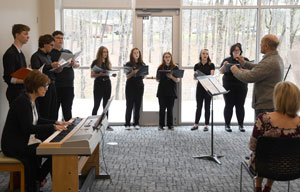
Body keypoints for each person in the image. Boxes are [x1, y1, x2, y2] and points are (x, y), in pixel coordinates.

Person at [1, 70, 69, 192]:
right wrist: (52, 127)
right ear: (35, 86)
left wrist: (55, 122)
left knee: (56, 152)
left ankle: (39, 179)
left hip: (25, 140)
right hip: (15, 144)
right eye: (44, 86)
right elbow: (28, 128)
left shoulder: (31, 99)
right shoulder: (22, 102)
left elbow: (37, 119)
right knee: (55, 153)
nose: (46, 89)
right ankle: (41, 179)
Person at [248, 81, 300, 192]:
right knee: (277, 153)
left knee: (264, 154)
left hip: (264, 167)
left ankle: (258, 186)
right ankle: (268, 186)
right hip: (293, 167)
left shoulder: (263, 119)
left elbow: (252, 146)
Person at [231, 34, 284, 119]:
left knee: (262, 131)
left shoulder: (269, 62)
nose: (260, 46)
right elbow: (260, 67)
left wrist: (235, 71)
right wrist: (244, 63)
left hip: (266, 105)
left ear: (266, 46)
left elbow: (249, 77)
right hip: (270, 102)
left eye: (261, 44)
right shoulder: (275, 58)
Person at [50, 30, 79, 121]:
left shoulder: (68, 52)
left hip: (69, 85)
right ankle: (54, 133)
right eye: (58, 38)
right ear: (53, 40)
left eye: (62, 38)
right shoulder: (50, 53)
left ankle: (68, 132)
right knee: (54, 111)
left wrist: (74, 64)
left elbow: (77, 65)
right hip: (56, 85)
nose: (60, 40)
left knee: (67, 110)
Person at [219, 43, 249, 132]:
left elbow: (250, 71)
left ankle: (241, 125)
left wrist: (241, 70)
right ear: (232, 51)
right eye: (235, 50)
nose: (236, 52)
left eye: (238, 50)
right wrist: (224, 65)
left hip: (241, 86)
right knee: (228, 105)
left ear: (240, 51)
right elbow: (221, 71)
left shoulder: (245, 60)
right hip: (228, 86)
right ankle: (227, 125)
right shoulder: (227, 60)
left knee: (240, 106)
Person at [31, 34, 61, 121]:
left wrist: (58, 69)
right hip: (42, 88)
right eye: (51, 45)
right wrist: (50, 65)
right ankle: (44, 133)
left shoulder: (48, 56)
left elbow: (51, 72)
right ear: (44, 44)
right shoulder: (36, 56)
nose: (53, 47)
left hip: (52, 85)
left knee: (54, 110)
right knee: (45, 111)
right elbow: (36, 72)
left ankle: (53, 131)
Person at [3, 24, 30, 106]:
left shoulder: (20, 53)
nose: (28, 37)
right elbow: (8, 78)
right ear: (17, 35)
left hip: (22, 91)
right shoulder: (10, 53)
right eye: (25, 34)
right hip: (15, 93)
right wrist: (27, 80)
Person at [91, 46, 116, 131]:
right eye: (104, 52)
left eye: (106, 52)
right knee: (96, 104)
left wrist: (112, 74)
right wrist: (100, 74)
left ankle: (106, 124)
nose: (105, 54)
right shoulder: (95, 62)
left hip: (107, 84)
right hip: (98, 84)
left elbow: (108, 72)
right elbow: (92, 75)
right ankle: (92, 123)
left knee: (106, 106)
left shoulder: (107, 62)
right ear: (100, 53)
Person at [191, 49, 215, 131]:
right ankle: (196, 124)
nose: (205, 55)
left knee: (207, 107)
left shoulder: (211, 65)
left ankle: (206, 125)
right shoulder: (197, 65)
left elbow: (211, 77)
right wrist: (195, 76)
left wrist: (204, 77)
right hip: (200, 87)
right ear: (200, 55)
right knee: (199, 106)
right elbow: (195, 78)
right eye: (203, 53)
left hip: (208, 87)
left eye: (207, 54)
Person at [156, 52, 180, 131]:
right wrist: (158, 78)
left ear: (171, 58)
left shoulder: (175, 67)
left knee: (170, 109)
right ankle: (161, 125)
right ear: (163, 58)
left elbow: (177, 80)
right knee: (162, 109)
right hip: (162, 91)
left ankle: (170, 125)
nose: (167, 58)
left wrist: (171, 76)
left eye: (169, 57)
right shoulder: (160, 67)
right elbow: (157, 79)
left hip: (171, 91)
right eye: (166, 57)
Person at [124, 48, 145, 130]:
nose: (136, 54)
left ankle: (136, 123)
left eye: (137, 53)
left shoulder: (142, 64)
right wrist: (134, 72)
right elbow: (127, 76)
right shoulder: (128, 64)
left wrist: (142, 73)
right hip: (130, 86)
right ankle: (127, 123)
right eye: (134, 53)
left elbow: (143, 76)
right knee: (129, 105)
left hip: (139, 86)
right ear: (132, 54)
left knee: (138, 105)